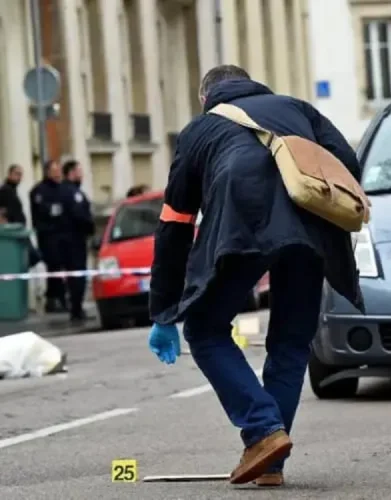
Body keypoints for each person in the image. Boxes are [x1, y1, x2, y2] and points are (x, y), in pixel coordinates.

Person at [146, 65, 364, 487]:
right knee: (290, 342)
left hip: (242, 225)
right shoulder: (297, 109)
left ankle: (264, 432)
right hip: (311, 227)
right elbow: (347, 162)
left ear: (205, 96)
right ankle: (270, 460)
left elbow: (175, 224)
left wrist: (164, 311)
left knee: (205, 331)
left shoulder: (199, 131)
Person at [30, 159, 69, 313]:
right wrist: (55, 210)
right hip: (48, 235)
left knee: (62, 267)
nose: (58, 173)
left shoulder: (63, 188)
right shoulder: (39, 191)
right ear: (48, 172)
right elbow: (44, 211)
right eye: (55, 170)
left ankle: (60, 297)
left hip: (63, 234)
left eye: (59, 170)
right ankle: (54, 299)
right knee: (53, 267)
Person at [61, 160, 94, 321]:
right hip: (74, 240)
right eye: (79, 171)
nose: (81, 174)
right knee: (77, 275)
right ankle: (76, 309)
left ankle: (76, 307)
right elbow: (79, 215)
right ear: (71, 173)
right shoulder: (72, 192)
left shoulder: (72, 191)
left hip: (73, 239)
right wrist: (90, 226)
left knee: (76, 275)